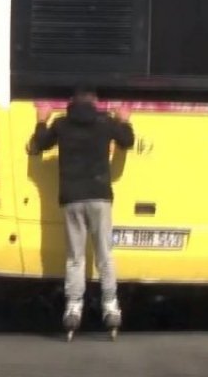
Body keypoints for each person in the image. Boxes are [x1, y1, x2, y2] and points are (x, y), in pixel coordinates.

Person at [29, 85, 135, 332]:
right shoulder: (105, 122)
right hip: (99, 197)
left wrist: (41, 120)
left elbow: (40, 143)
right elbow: (127, 141)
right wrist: (125, 120)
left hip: (72, 199)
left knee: (75, 257)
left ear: (71, 102)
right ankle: (110, 305)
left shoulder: (62, 124)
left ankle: (74, 306)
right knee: (104, 254)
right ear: (95, 101)